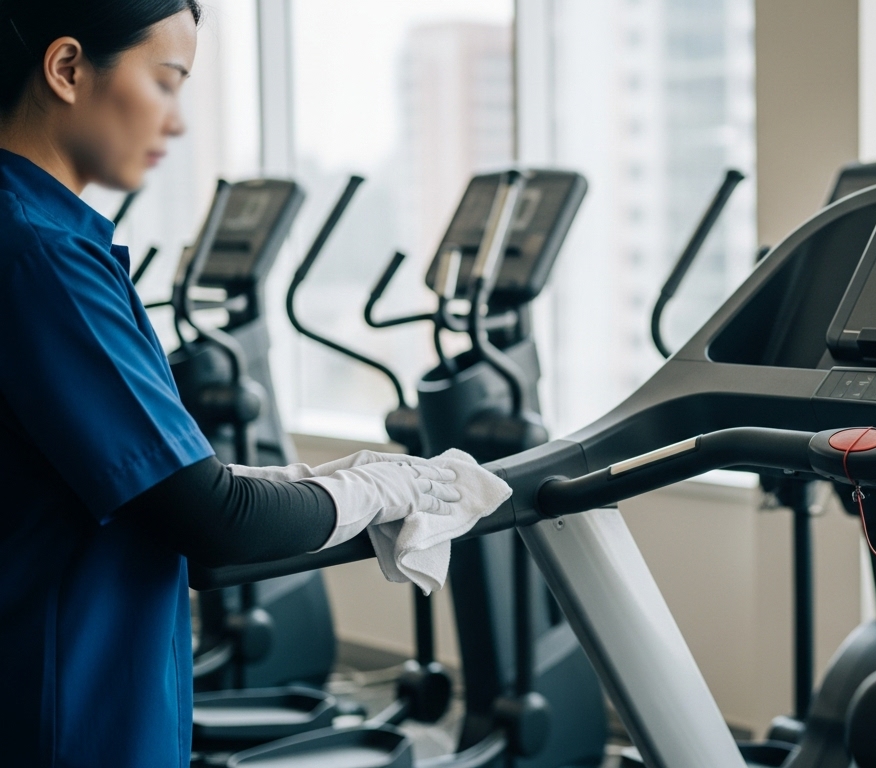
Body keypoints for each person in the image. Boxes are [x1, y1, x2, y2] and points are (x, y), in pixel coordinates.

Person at [0, 2, 508, 765]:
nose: (175, 122)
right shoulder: (43, 257)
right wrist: (382, 489)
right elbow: (213, 524)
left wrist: (334, 481)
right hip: (66, 715)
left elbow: (164, 496)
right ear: (67, 69)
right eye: (165, 83)